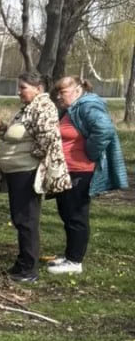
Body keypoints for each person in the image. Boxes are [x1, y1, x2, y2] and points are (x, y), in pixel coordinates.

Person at [0, 71, 70, 283]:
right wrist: (3, 129)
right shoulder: (28, 107)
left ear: (38, 88)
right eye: (19, 87)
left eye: (23, 87)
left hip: (28, 172)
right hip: (16, 171)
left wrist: (30, 156)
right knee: (20, 219)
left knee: (26, 220)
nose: (19, 92)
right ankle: (22, 261)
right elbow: (20, 134)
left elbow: (47, 139)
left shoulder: (44, 106)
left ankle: (29, 269)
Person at [47, 76, 128, 275]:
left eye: (62, 92)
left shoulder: (88, 107)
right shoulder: (71, 108)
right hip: (67, 169)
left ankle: (75, 261)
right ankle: (69, 255)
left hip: (80, 169)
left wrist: (91, 152)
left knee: (76, 215)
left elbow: (105, 129)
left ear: (76, 90)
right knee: (67, 213)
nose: (58, 96)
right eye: (57, 92)